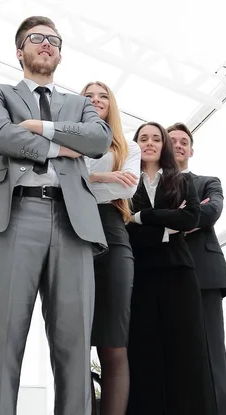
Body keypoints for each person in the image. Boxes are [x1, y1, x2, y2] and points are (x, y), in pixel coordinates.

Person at [0, 16, 112, 415]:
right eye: (36, 38)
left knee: (75, 345)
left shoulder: (80, 103)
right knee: (1, 340)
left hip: (74, 223)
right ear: (20, 51)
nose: (46, 44)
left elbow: (98, 140)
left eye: (54, 40)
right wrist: (58, 146)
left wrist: (39, 126)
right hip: (13, 216)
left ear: (60, 53)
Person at [125, 122, 215, 415]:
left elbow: (190, 218)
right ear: (135, 144)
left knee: (187, 350)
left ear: (163, 145)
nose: (149, 143)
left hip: (179, 272)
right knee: (145, 349)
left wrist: (142, 216)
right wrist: (164, 227)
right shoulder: (125, 181)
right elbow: (123, 228)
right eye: (143, 138)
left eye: (156, 138)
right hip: (141, 274)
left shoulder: (180, 179)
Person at [80, 81, 140, 415]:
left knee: (113, 346)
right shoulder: (68, 142)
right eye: (89, 96)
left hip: (114, 235)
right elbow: (63, 181)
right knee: (75, 348)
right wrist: (108, 178)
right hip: (73, 234)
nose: (96, 100)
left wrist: (89, 179)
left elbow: (127, 189)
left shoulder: (127, 147)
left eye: (103, 96)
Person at [169, 122, 226, 415]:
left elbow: (211, 211)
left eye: (185, 141)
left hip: (204, 276)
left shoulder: (209, 181)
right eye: (173, 140)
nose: (179, 144)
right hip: (163, 276)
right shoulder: (147, 185)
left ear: (191, 150)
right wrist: (183, 219)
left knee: (211, 356)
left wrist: (167, 224)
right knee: (171, 356)